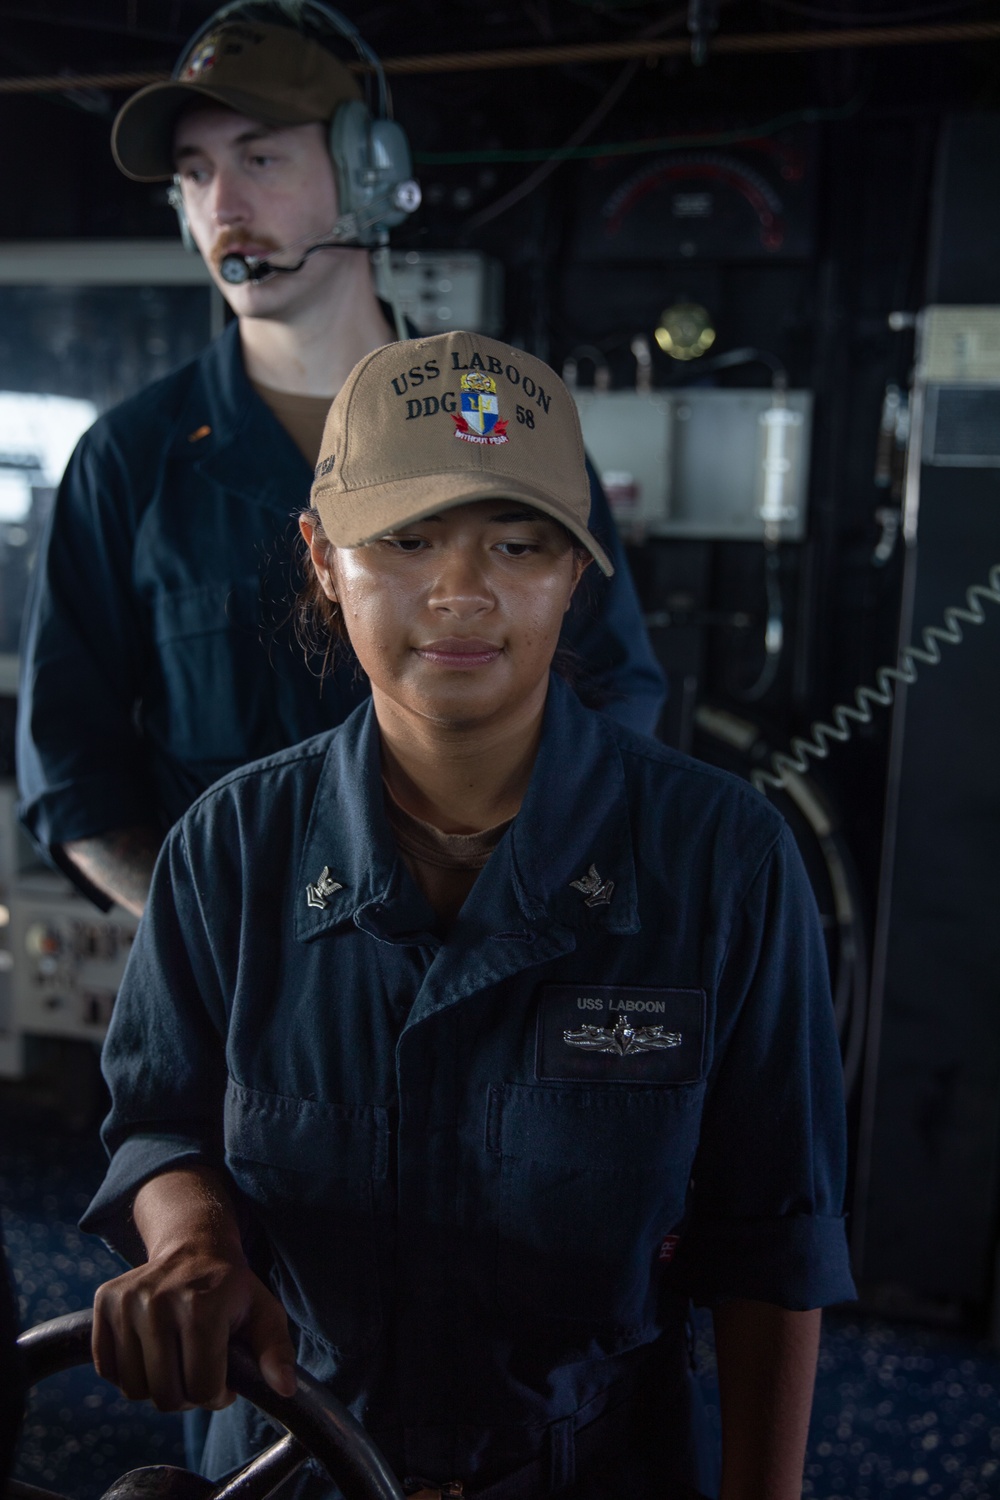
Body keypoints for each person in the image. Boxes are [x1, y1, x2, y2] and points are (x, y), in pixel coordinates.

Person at [82, 330, 855, 1500]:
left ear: (577, 573)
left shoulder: (721, 862)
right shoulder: (229, 851)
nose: (462, 592)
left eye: (517, 543)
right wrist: (193, 1240)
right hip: (292, 1469)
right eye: (405, 538)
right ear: (322, 559)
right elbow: (159, 1124)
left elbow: (773, 1242)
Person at [16, 2, 664, 920]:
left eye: (260, 159)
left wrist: (514, 904)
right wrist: (204, 949)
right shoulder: (128, 461)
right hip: (237, 1004)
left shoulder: (505, 422)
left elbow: (616, 692)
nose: (223, 208)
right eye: (195, 174)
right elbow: (71, 774)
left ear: (366, 174)